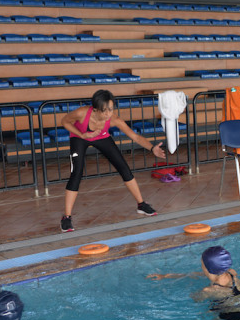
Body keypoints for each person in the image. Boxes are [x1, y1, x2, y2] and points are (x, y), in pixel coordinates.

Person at [59, 89, 166, 232]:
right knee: (76, 173)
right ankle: (66, 217)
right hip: (80, 137)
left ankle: (141, 204)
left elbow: (135, 137)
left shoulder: (114, 119)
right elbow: (64, 121)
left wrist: (152, 148)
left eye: (111, 109)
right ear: (95, 110)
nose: (108, 114)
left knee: (124, 168)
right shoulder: (82, 113)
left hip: (102, 137)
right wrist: (82, 135)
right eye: (105, 111)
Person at [148, 245, 240, 320]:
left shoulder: (209, 290)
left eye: (202, 264)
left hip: (232, 315)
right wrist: (166, 276)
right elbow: (195, 274)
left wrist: (193, 292)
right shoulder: (232, 273)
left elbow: (196, 299)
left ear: (207, 269)